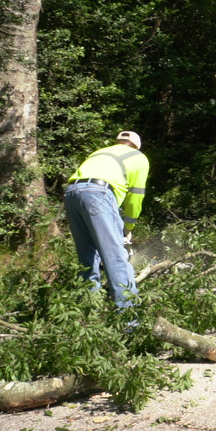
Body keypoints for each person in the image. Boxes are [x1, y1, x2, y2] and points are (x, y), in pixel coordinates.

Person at [65, 130, 149, 309]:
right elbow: (136, 197)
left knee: (87, 257)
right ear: (137, 146)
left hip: (71, 193)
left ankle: (88, 314)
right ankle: (128, 319)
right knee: (115, 255)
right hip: (99, 193)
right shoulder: (139, 157)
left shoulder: (99, 152)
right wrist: (128, 227)